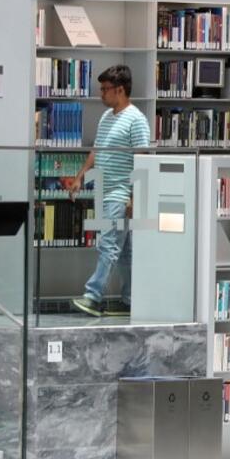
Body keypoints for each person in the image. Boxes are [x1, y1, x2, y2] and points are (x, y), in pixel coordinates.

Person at [67, 65, 151, 317]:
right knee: (124, 251)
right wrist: (81, 176)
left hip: (120, 193)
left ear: (121, 90)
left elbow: (142, 159)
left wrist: (134, 197)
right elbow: (97, 151)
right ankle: (132, 298)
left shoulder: (136, 120)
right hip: (103, 190)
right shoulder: (107, 117)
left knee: (108, 245)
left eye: (105, 89)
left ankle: (92, 296)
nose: (101, 94)